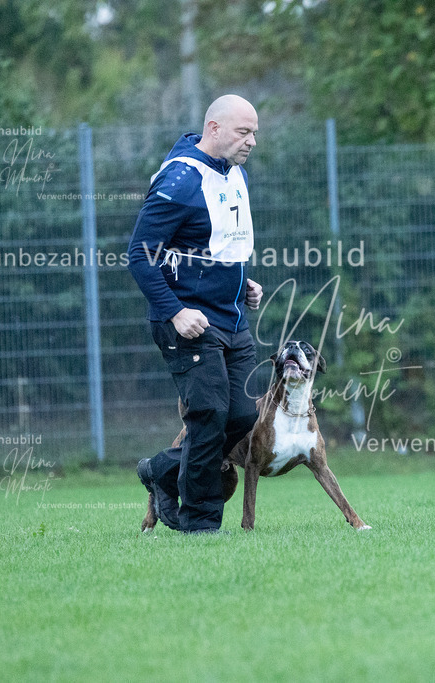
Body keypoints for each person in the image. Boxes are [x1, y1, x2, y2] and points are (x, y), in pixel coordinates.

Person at [127, 94, 264, 534]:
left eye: (255, 133)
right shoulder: (180, 180)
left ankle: (163, 471)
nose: (252, 142)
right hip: (187, 323)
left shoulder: (235, 172)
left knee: (243, 415)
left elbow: (220, 245)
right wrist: (175, 311)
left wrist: (245, 284)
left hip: (233, 319)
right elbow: (139, 255)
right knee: (209, 415)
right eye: (244, 132)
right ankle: (200, 524)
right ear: (214, 128)